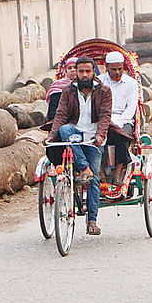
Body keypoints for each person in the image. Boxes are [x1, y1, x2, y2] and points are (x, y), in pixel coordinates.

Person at [48, 56, 112, 236]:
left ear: (94, 73)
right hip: (74, 134)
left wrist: (100, 136)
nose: (84, 75)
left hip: (93, 138)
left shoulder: (104, 91)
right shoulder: (68, 91)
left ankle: (92, 220)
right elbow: (60, 114)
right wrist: (53, 134)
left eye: (88, 71)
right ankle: (84, 167)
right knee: (65, 130)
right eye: (81, 71)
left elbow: (105, 116)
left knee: (94, 180)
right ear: (76, 72)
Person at [100, 51, 138, 182]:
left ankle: (118, 173)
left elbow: (131, 108)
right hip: (104, 119)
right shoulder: (99, 82)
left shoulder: (131, 83)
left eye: (120, 69)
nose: (117, 72)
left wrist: (119, 122)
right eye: (113, 69)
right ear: (106, 67)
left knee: (121, 136)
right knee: (96, 138)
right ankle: (101, 173)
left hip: (124, 120)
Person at [46, 57, 77, 122]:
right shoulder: (58, 86)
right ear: (65, 70)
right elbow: (52, 113)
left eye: (75, 67)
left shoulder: (86, 85)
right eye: (69, 68)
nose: (72, 70)